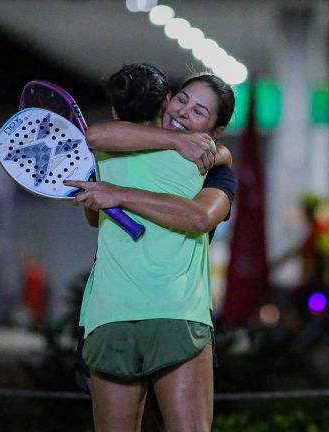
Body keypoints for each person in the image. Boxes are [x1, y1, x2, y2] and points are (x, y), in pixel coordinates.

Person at [65, 63, 236, 432]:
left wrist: (118, 194)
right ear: (166, 101)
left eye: (199, 111)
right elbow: (94, 136)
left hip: (166, 315)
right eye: (182, 100)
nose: (184, 112)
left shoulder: (207, 164)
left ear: (216, 132)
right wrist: (179, 141)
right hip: (122, 314)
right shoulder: (110, 149)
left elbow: (200, 218)